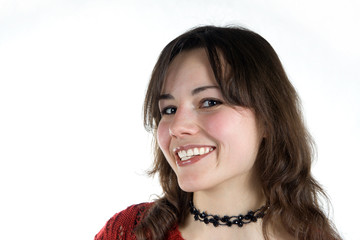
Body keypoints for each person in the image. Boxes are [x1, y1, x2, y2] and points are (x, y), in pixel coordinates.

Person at [94, 26, 341, 240]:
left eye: (209, 102)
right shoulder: (128, 232)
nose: (177, 126)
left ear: (267, 119)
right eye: (168, 109)